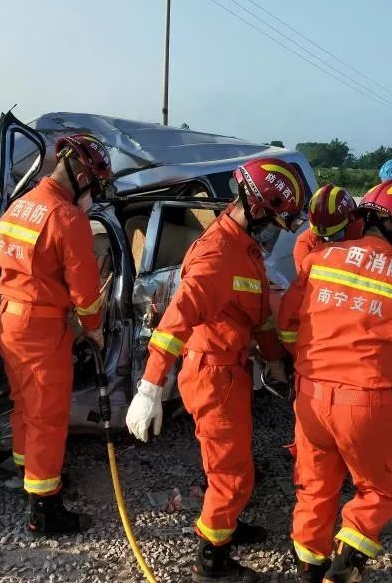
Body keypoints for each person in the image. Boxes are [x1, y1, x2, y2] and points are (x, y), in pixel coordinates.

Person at [125, 157, 306, 583]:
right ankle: (211, 561)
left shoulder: (242, 249)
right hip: (212, 375)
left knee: (228, 461)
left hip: (231, 371)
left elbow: (258, 316)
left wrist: (276, 362)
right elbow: (174, 324)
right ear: (258, 208)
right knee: (233, 471)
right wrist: (150, 387)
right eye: (274, 223)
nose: (274, 234)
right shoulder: (217, 256)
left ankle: (227, 523)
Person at [278, 181, 392, 582]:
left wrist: (308, 362)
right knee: (382, 488)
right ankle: (343, 570)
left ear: (364, 217)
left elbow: (287, 324)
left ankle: (309, 571)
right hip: (366, 404)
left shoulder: (320, 258)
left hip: (309, 398)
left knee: (315, 486)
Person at [0, 134, 111, 535]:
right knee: (47, 416)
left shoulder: (19, 205)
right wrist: (94, 331)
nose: (92, 195)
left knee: (25, 405)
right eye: (93, 186)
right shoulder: (67, 218)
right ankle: (44, 510)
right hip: (40, 328)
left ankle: (30, 474)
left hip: (8, 319)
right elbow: (85, 293)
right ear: (79, 173)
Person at [293, 183, 361, 275]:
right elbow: (304, 282)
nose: (330, 241)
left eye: (335, 235)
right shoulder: (305, 244)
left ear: (350, 221)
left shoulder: (363, 232)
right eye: (324, 237)